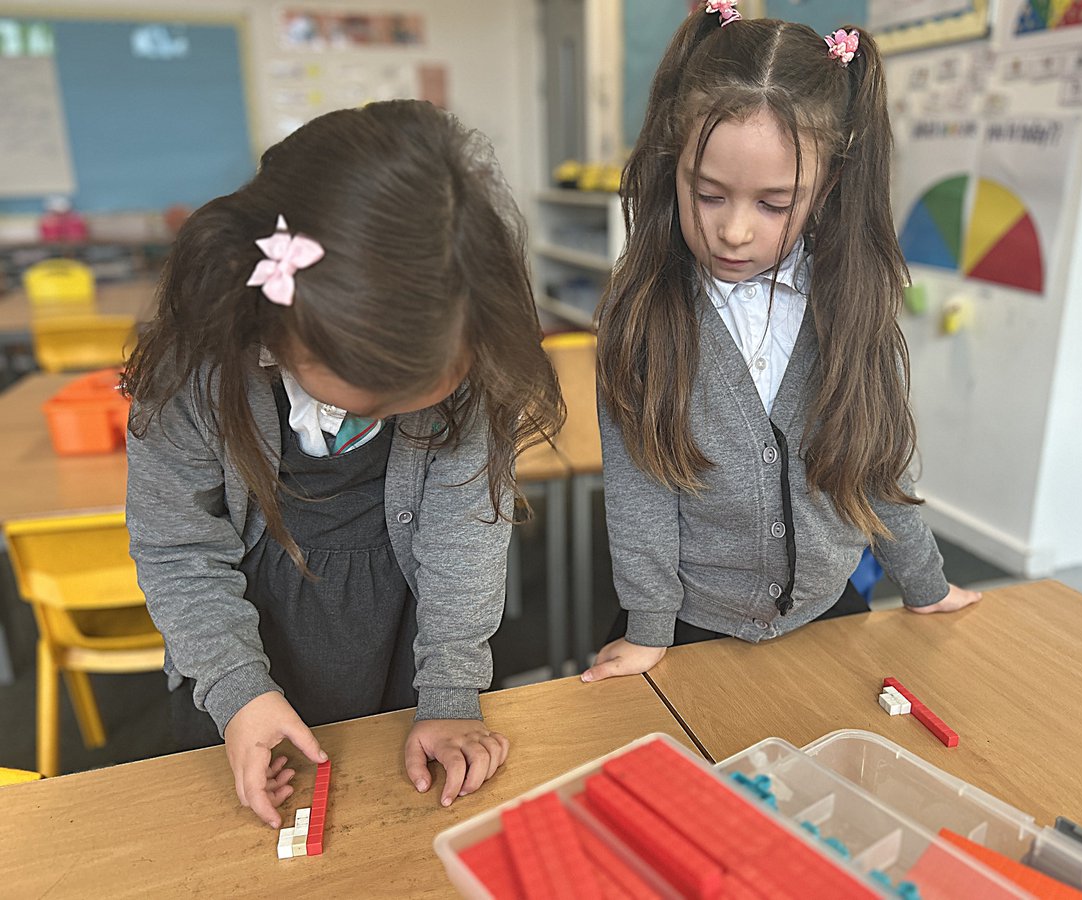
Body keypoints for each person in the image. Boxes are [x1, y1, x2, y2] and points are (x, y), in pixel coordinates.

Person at [123, 100, 564, 825]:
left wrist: (451, 695)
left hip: (399, 655)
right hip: (241, 670)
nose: (391, 421)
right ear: (282, 322)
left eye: (412, 400)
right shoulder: (197, 374)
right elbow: (178, 551)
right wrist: (240, 695)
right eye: (372, 398)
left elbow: (464, 536)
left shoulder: (468, 346)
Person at [583, 6, 980, 684]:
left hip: (828, 609)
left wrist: (926, 584)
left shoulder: (850, 307)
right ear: (672, 166)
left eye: (773, 204)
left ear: (826, 189)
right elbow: (639, 493)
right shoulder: (643, 317)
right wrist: (649, 629)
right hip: (687, 622)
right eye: (708, 195)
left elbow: (881, 461)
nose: (735, 231)